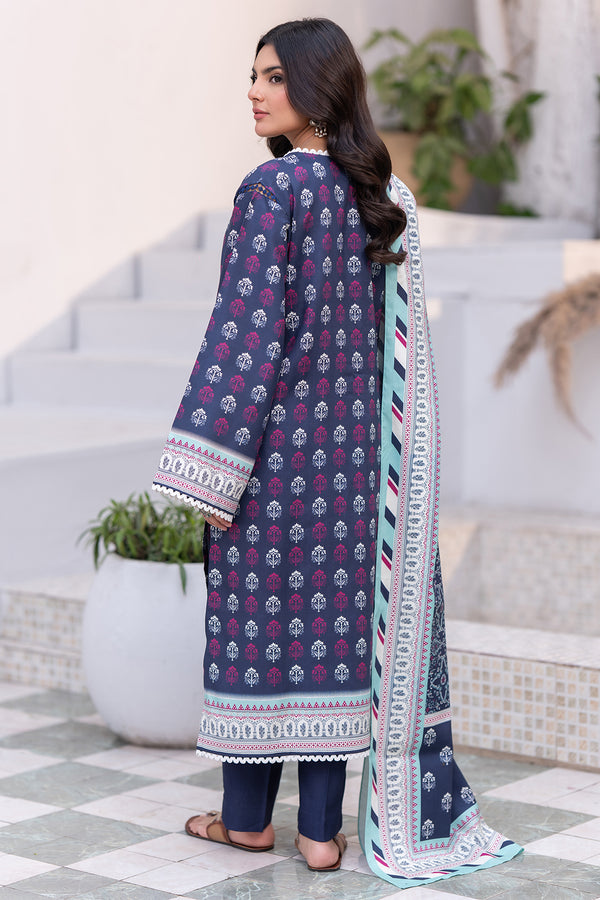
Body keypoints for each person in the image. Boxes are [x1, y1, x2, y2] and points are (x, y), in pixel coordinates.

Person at [152, 17, 522, 887]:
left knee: (257, 636)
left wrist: (204, 466)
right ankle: (320, 837)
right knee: (328, 644)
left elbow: (245, 336)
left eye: (274, 77)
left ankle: (248, 824)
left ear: (318, 89)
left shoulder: (271, 189)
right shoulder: (385, 200)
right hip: (357, 476)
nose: (254, 91)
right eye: (253, 76)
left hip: (271, 468)